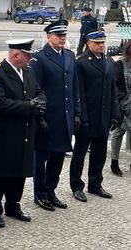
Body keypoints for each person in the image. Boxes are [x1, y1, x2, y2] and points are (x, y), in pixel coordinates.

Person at [0, 39, 46, 228]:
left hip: (25, 130)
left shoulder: (28, 71)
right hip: (5, 132)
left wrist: (41, 102)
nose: (30, 59)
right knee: (0, 172)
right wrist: (29, 105)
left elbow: (39, 91)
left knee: (20, 170)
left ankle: (13, 204)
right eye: (27, 55)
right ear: (16, 55)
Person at [30, 19, 81, 212]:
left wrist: (77, 112)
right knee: (41, 157)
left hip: (65, 118)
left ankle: (51, 191)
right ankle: (40, 194)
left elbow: (74, 88)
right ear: (48, 37)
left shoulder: (69, 56)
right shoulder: (40, 58)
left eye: (64, 35)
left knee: (59, 157)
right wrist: (39, 117)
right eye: (59, 35)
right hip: (47, 118)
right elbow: (36, 89)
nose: (62, 38)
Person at [70, 30, 120, 202]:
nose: (101, 45)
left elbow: (113, 89)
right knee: (80, 153)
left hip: (104, 116)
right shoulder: (82, 63)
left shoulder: (109, 61)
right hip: (88, 116)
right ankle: (76, 186)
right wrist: (81, 116)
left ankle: (95, 184)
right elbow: (79, 93)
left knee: (100, 153)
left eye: (103, 42)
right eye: (97, 43)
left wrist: (115, 113)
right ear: (89, 43)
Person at [110, 42, 131, 177]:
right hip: (124, 104)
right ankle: (114, 161)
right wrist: (121, 100)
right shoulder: (120, 64)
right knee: (118, 132)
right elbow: (115, 85)